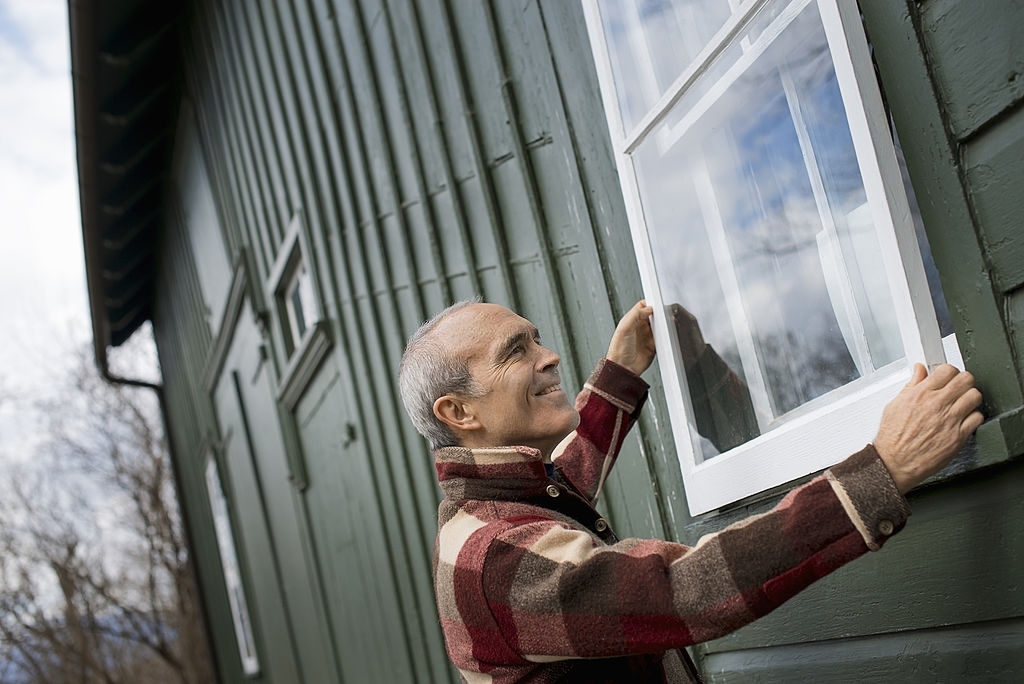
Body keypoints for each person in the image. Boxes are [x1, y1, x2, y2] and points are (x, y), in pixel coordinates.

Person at [398, 299, 984, 683]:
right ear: (458, 411)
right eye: (516, 352)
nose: (548, 356)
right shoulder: (495, 559)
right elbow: (684, 592)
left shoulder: (497, 509)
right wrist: (880, 472)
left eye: (535, 338)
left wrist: (621, 371)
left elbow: (567, 479)